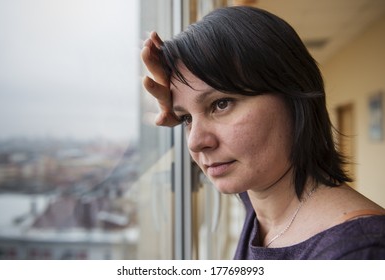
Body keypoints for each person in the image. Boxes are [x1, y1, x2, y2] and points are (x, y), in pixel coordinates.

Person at [141, 6, 385, 259]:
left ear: (292, 94)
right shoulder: (265, 200)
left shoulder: (359, 252)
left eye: (221, 103)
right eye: (186, 119)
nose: (195, 142)